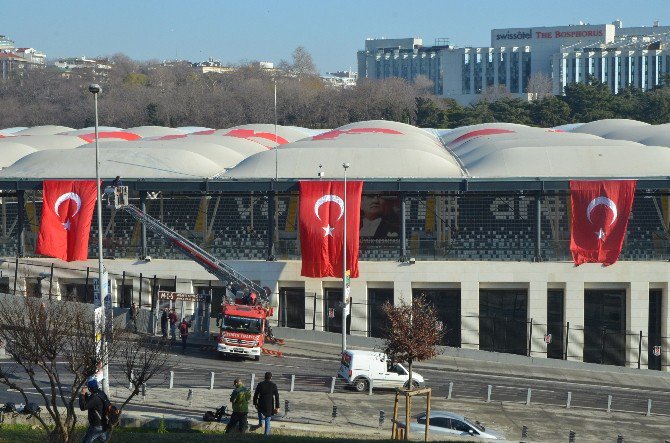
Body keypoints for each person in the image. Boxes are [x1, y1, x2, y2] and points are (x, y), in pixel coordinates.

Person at [79, 378, 109, 443]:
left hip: (97, 425)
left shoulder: (95, 397)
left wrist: (81, 394)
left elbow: (83, 407)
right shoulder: (100, 393)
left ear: (90, 388)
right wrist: (85, 395)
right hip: (103, 423)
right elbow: (90, 403)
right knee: (104, 441)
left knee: (86, 441)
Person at [253, 371, 279, 436]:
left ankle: (261, 423)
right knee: (268, 419)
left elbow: (256, 394)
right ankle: (266, 435)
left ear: (264, 377)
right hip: (269, 404)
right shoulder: (273, 385)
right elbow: (277, 396)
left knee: (260, 412)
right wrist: (277, 407)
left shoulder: (260, 384)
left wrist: (255, 403)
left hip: (261, 403)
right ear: (271, 377)